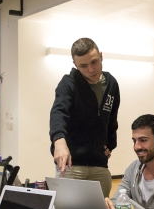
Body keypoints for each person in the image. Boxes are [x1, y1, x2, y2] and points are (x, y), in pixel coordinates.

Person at [49, 38, 120, 198]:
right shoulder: (68, 84)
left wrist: (110, 144)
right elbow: (58, 112)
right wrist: (59, 140)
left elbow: (112, 119)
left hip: (100, 165)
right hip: (72, 165)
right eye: (83, 66)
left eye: (94, 62)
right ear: (75, 64)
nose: (91, 69)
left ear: (101, 56)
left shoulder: (111, 84)